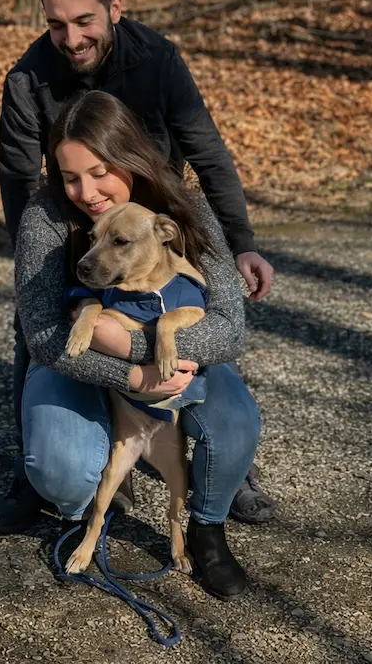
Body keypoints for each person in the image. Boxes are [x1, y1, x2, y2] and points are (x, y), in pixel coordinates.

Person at [0, 0, 277, 535]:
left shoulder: (159, 60)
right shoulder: (27, 78)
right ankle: (33, 470)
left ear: (114, 8)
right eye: (56, 24)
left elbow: (206, 149)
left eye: (85, 21)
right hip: (72, 229)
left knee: (196, 322)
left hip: (153, 221)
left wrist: (239, 241)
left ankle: (227, 468)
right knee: (37, 328)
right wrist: (33, 262)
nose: (71, 38)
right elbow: (20, 178)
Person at [13, 89, 259, 599]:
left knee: (235, 426)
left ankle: (206, 530)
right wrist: (130, 374)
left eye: (100, 171)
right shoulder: (45, 218)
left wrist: (151, 350)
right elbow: (41, 334)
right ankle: (89, 510)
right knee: (61, 467)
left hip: (176, 350)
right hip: (77, 360)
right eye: (70, 176)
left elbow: (230, 325)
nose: (86, 191)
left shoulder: (182, 206)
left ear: (129, 156)